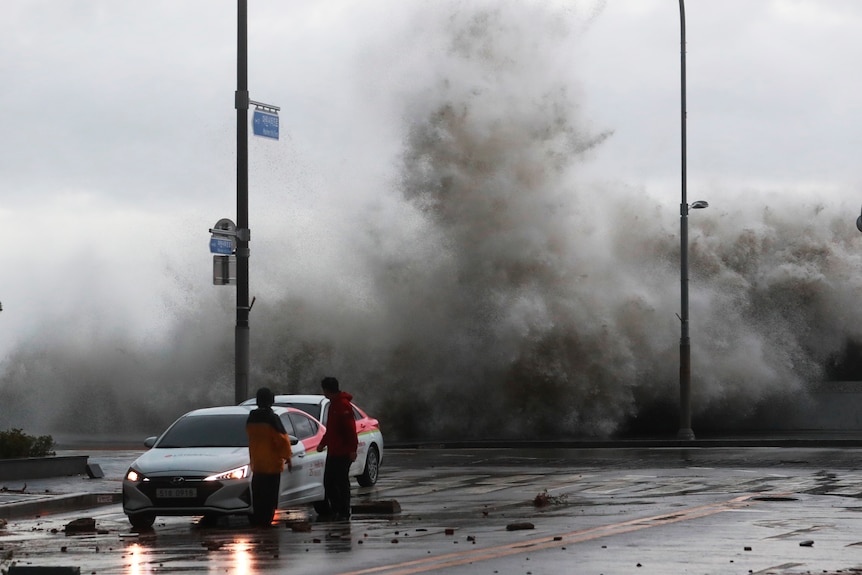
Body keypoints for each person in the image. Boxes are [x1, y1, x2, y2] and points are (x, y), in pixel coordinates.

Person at [246, 387, 292, 526]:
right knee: (270, 496)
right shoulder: (272, 418)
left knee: (258, 495)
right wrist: (287, 457)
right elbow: (282, 439)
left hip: (257, 463)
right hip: (271, 465)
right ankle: (266, 520)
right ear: (271, 400)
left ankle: (258, 519)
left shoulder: (251, 418)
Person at [317, 376, 359, 520]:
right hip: (333, 451)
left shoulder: (342, 405)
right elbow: (331, 430)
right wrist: (323, 443)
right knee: (329, 482)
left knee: (341, 482)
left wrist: (352, 449)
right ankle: (337, 509)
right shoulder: (333, 405)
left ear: (328, 390)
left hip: (343, 452)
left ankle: (343, 511)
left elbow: (350, 430)